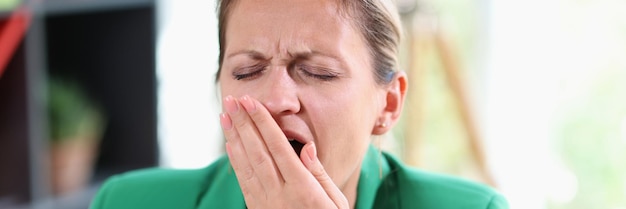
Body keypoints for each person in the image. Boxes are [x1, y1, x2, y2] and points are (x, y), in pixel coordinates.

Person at [90, 0, 509, 208]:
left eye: (319, 72)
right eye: (248, 71)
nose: (274, 100)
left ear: (389, 104)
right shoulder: (127, 202)